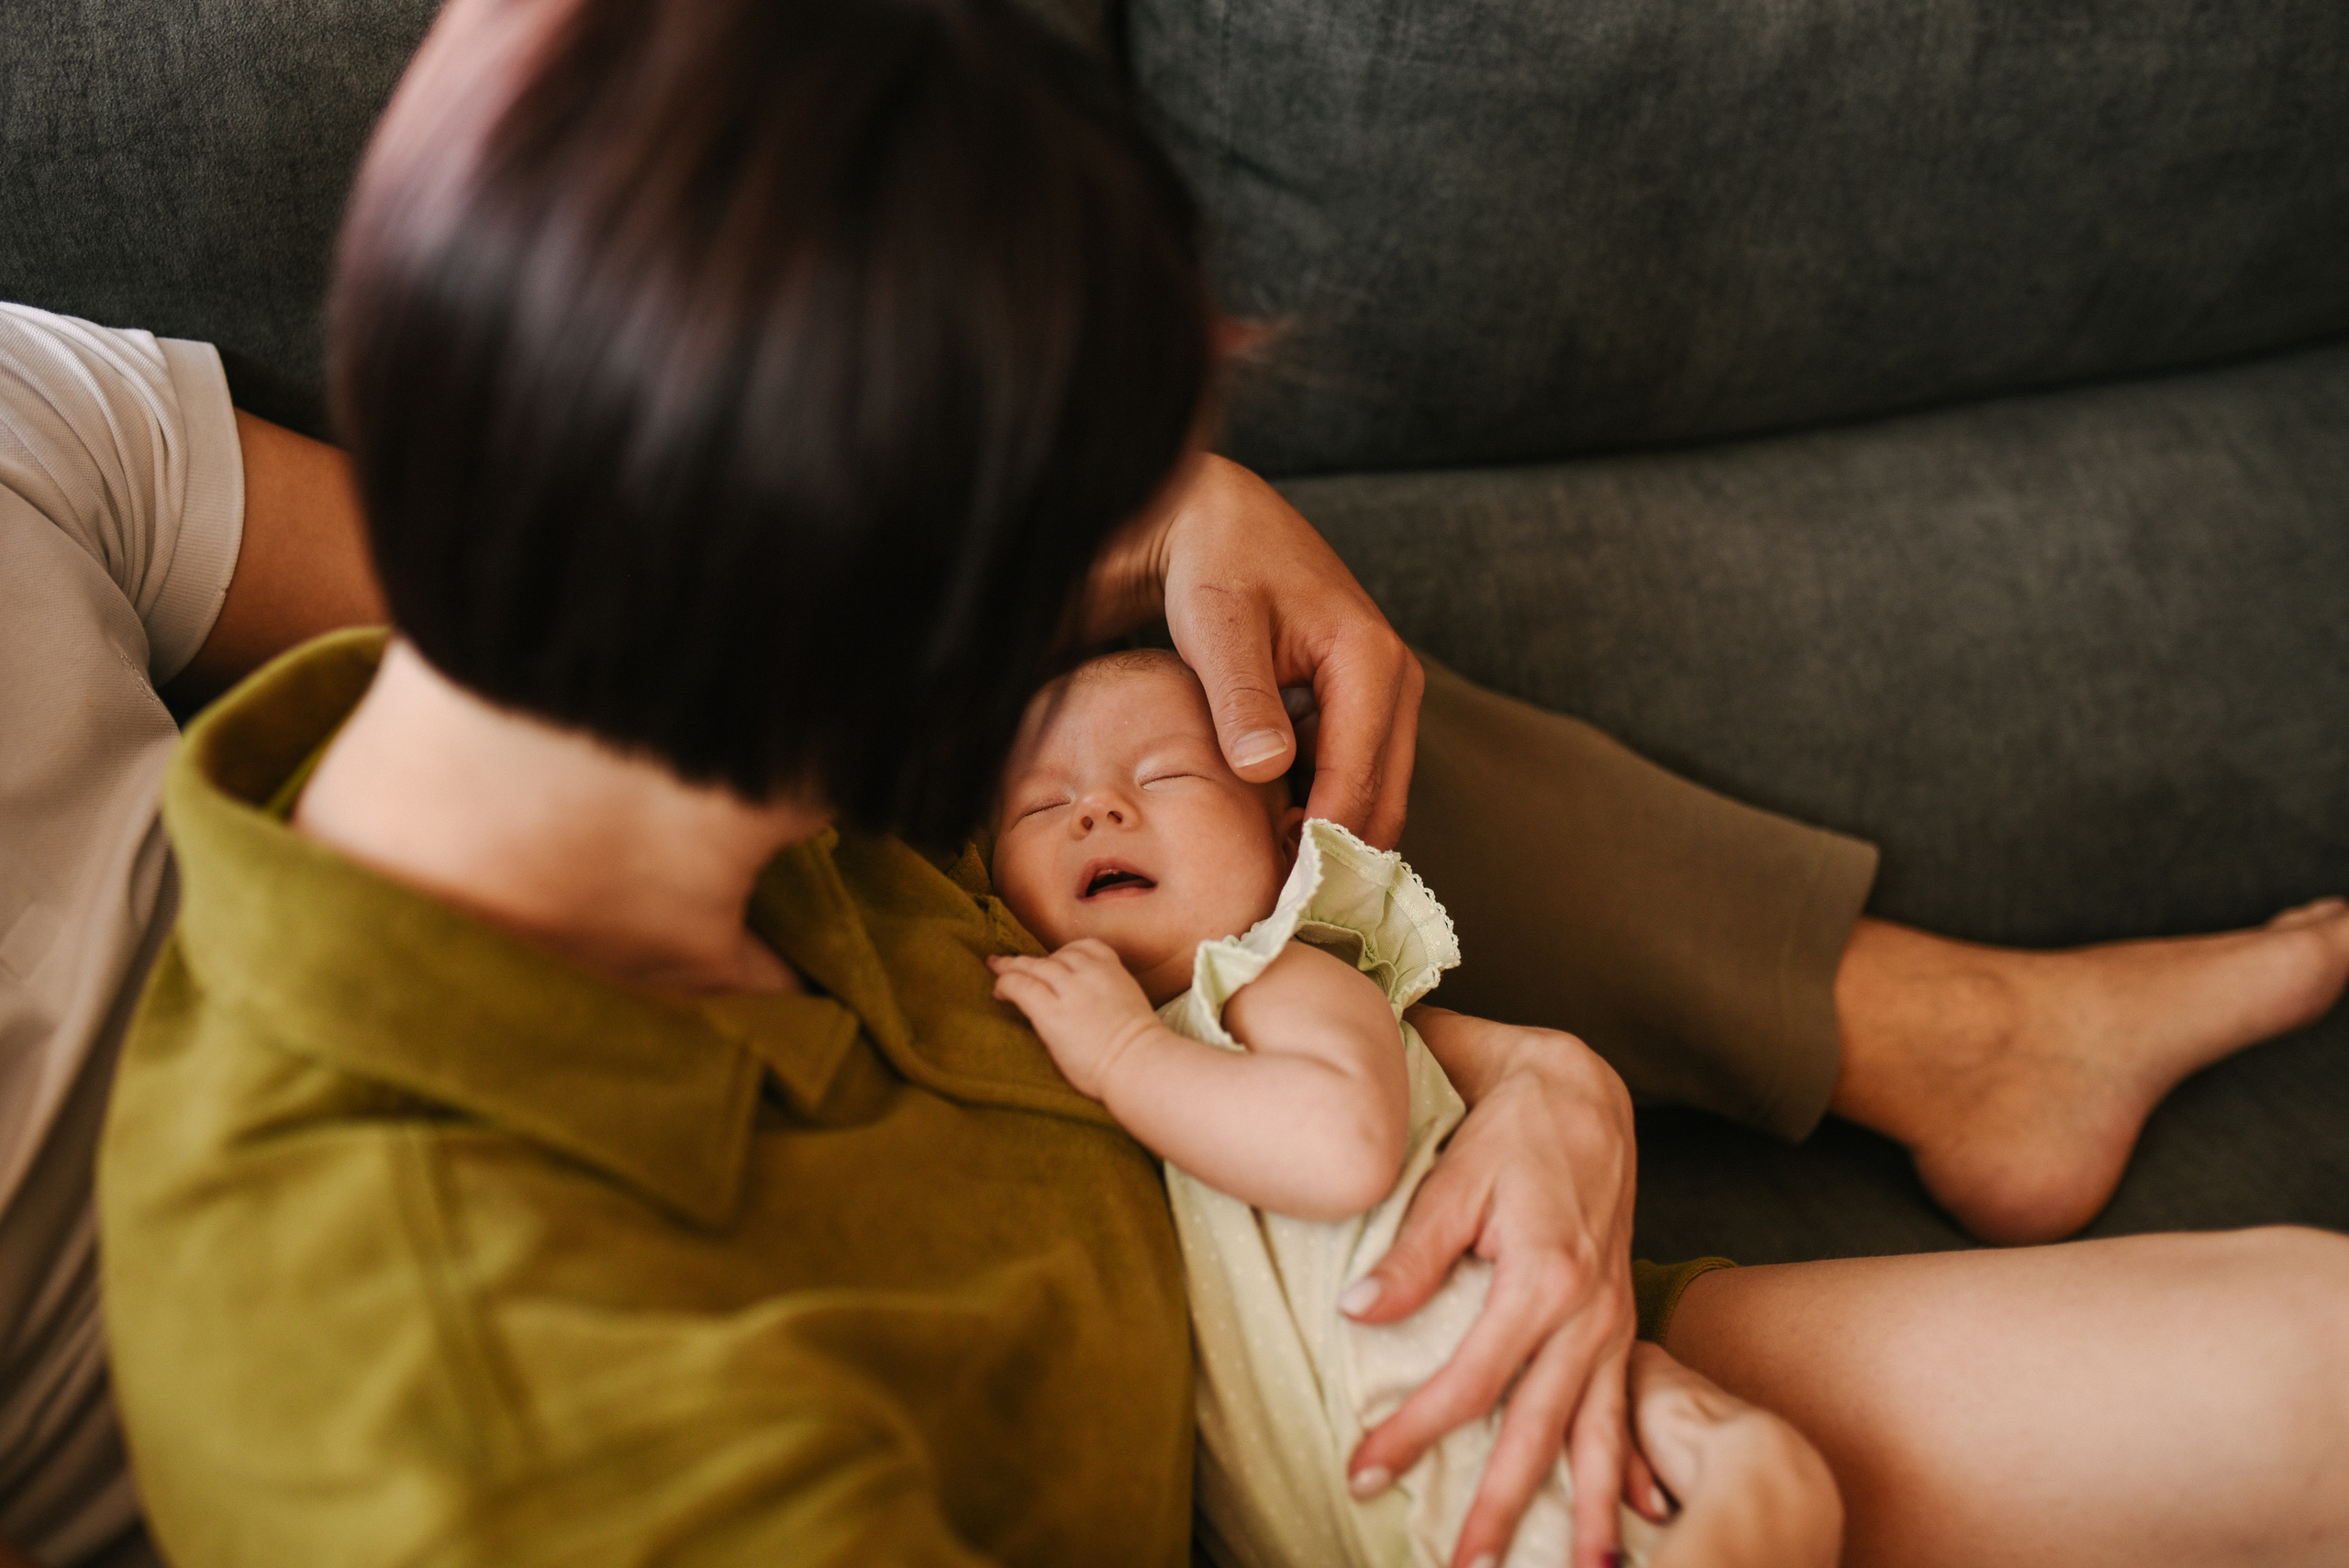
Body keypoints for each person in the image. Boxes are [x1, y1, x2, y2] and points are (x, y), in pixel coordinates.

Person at [5, 0, 2343, 1563]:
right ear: (915, 652)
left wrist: (1527, 1083)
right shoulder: (500, 1435)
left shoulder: (589, 717)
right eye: (1091, 566)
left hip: (1371, 1289)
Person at [985, 648, 1722, 1568]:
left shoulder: (1263, 974)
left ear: (1287, 848)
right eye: (1042, 803)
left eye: (1162, 774)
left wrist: (1124, 1055)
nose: (1098, 808)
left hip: (1477, 1451)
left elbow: (1346, 1146)